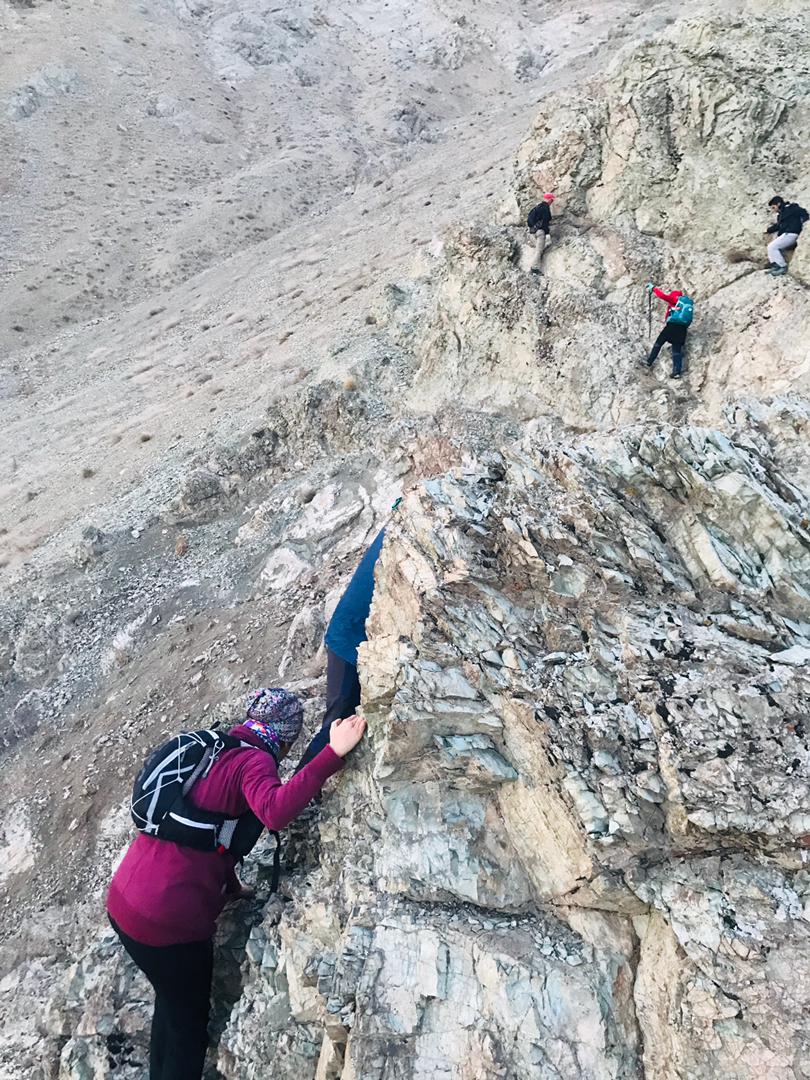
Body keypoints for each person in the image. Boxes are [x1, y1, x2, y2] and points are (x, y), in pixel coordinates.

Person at [107, 688, 365, 1080]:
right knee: (188, 1028)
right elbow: (275, 811)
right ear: (285, 738)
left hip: (124, 900)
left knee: (172, 1003)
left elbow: (209, 832)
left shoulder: (216, 747)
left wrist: (229, 887)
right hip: (166, 921)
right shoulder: (255, 761)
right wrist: (332, 753)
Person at [296, 528, 384, 769]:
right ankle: (299, 785)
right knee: (336, 724)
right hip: (349, 640)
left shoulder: (402, 524)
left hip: (351, 634)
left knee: (340, 720)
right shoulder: (405, 531)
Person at [644, 283, 692, 380]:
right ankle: (677, 372)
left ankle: (649, 361)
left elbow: (662, 296)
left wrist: (653, 288)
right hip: (682, 329)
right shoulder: (685, 304)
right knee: (676, 350)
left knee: (659, 343)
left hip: (672, 326)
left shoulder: (674, 299)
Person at [764, 195, 809, 276]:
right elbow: (778, 226)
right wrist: (768, 230)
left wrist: (804, 224)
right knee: (771, 246)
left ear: (778, 204)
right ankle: (776, 265)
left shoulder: (791, 207)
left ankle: (782, 266)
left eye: (773, 207)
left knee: (772, 246)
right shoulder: (781, 215)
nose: (773, 210)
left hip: (792, 233)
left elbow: (803, 212)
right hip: (787, 234)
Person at [527, 193, 555, 274]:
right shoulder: (545, 208)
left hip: (532, 232)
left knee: (540, 249)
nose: (552, 202)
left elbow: (529, 221)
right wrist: (547, 233)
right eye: (552, 200)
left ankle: (536, 262)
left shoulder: (537, 207)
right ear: (549, 199)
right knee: (539, 251)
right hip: (540, 232)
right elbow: (545, 222)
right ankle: (534, 269)